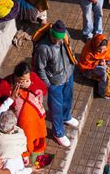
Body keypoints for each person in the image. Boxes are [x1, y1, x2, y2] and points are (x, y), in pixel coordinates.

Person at [0, 61, 48, 167]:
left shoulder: (32, 77)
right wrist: (5, 107)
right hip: (21, 120)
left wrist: (30, 85)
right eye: (21, 80)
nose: (24, 81)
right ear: (15, 77)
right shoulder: (5, 84)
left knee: (39, 132)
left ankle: (38, 149)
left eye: (27, 79)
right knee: (25, 137)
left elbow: (44, 90)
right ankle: (25, 155)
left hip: (37, 115)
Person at [33, 19, 78, 149]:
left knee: (68, 99)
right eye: (56, 39)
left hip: (68, 74)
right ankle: (58, 132)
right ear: (51, 34)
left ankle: (66, 117)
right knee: (55, 109)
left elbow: (70, 50)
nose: (58, 42)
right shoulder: (43, 48)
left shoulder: (65, 36)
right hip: (54, 81)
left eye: (60, 39)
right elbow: (39, 68)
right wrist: (48, 84)